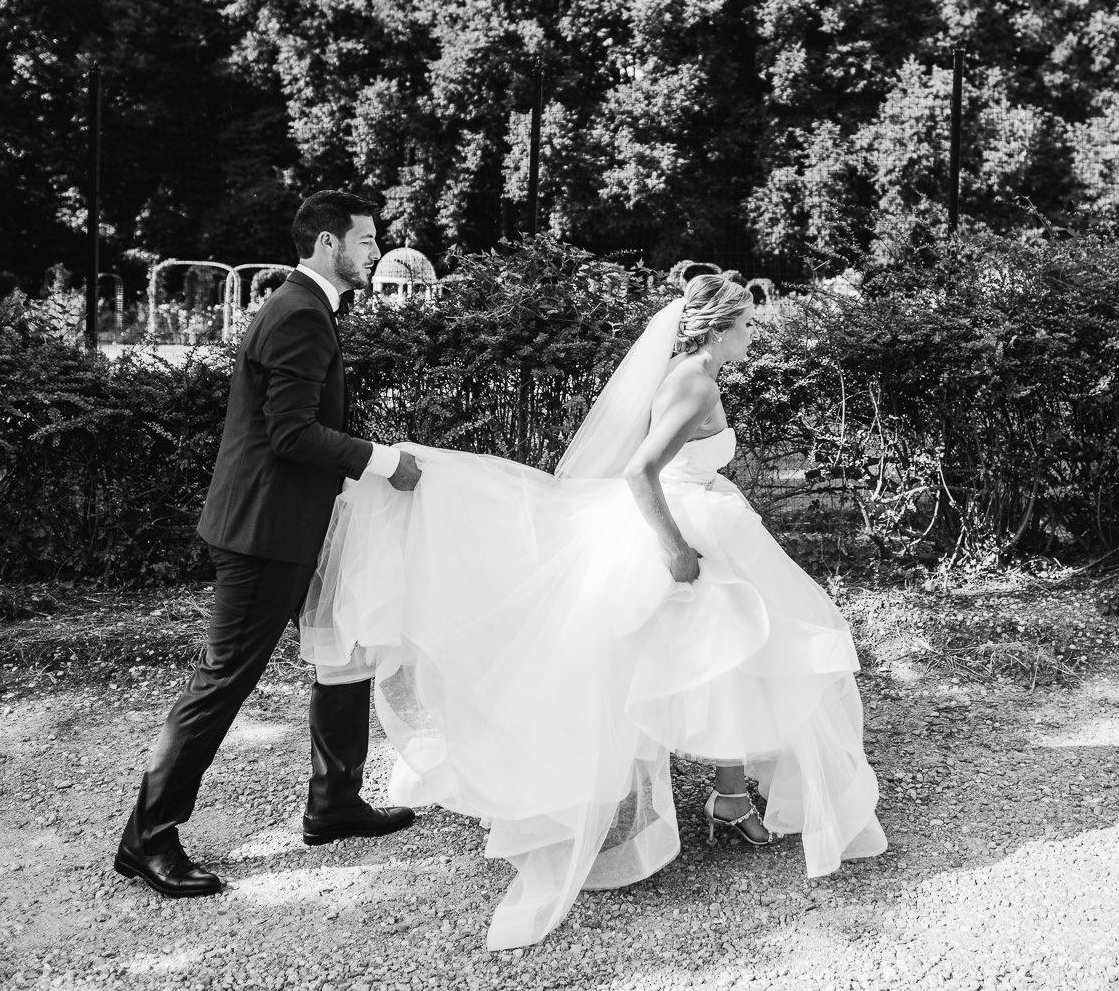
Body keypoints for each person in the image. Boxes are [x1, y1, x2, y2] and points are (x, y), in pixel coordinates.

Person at [301, 273, 886, 949]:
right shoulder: (695, 381)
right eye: (748, 325)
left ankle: (728, 796)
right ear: (718, 329)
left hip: (706, 522)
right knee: (711, 655)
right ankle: (669, 806)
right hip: (680, 534)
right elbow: (641, 472)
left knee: (726, 657)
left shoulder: (691, 371)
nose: (755, 336)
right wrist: (676, 553)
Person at [114, 191, 424, 898]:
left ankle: (334, 802)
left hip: (298, 523)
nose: (375, 252)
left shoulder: (309, 308)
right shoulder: (299, 315)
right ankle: (147, 839)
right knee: (221, 684)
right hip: (264, 534)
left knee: (343, 650)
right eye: (366, 240)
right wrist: (383, 462)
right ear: (325, 244)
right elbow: (290, 432)